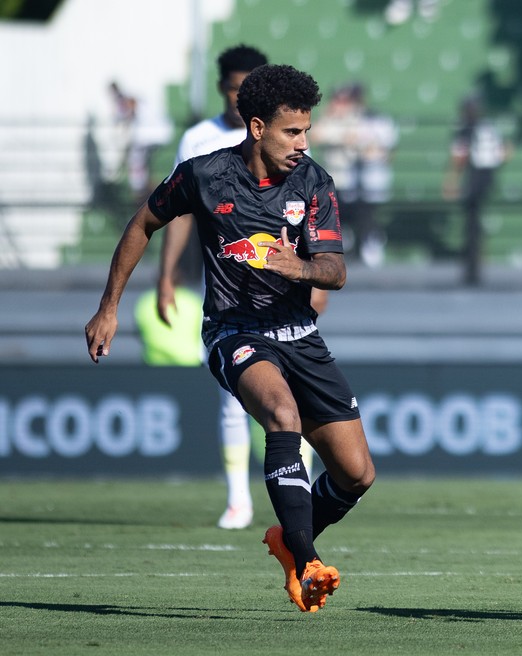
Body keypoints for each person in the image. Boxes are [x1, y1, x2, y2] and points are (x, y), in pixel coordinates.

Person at [85, 64, 375, 613]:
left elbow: (335, 270)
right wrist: (109, 307)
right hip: (234, 332)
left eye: (307, 131)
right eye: (294, 131)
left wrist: (301, 268)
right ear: (259, 127)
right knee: (282, 415)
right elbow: (143, 222)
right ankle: (308, 562)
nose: (303, 142)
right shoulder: (204, 175)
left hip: (301, 335)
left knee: (357, 474)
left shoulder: (313, 183)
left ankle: (286, 540)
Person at [157, 44, 317, 531]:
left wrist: (315, 278)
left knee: (294, 403)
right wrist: (167, 273)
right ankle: (237, 500)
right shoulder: (201, 141)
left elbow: (309, 210)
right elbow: (177, 208)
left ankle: (299, 504)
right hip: (230, 298)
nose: (236, 96)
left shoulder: (290, 138)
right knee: (239, 400)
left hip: (286, 295)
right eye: (231, 87)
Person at [311, 83, 398, 268]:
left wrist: (340, 136)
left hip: (354, 178)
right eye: (338, 100)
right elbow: (317, 135)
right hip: (334, 178)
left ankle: (368, 243)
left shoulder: (360, 119)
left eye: (345, 101)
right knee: (336, 214)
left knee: (364, 212)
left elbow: (360, 141)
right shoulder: (329, 119)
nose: (341, 104)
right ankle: (346, 245)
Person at [443, 95, 510, 286]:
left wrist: (451, 181)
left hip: (475, 175)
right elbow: (504, 152)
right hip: (487, 175)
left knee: (472, 223)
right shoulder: (489, 127)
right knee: (474, 222)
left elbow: (459, 156)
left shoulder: (467, 129)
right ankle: (476, 260)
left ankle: (473, 265)